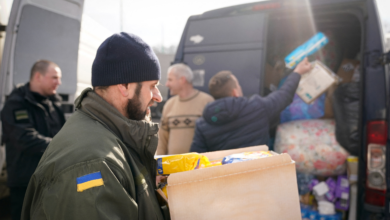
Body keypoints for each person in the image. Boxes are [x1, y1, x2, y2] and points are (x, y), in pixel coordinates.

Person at [21, 33, 168, 220]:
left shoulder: (111, 135)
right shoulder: (92, 164)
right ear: (125, 86)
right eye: (152, 85)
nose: (158, 96)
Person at [190, 58, 313, 153]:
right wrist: (298, 72)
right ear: (235, 92)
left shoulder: (202, 124)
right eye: (238, 85)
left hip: (227, 183)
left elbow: (196, 158)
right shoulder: (256, 107)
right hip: (258, 178)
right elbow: (284, 95)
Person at [1, 60, 65, 220]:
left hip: (51, 179)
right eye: (54, 77)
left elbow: (64, 132)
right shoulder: (16, 103)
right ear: (38, 76)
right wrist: (62, 146)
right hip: (26, 182)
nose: (59, 82)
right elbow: (25, 139)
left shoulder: (54, 102)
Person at [156, 64, 213, 155]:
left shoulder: (207, 102)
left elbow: (214, 137)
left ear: (182, 80)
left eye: (170, 79)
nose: (167, 84)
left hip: (200, 167)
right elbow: (162, 139)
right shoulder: (169, 104)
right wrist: (158, 164)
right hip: (173, 167)